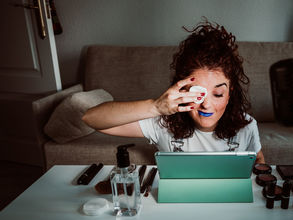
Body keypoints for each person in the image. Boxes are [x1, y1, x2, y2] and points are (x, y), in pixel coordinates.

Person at [82, 20, 265, 164]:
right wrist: (155, 107)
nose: (206, 104)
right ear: (182, 89)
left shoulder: (247, 126)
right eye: (197, 93)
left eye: (217, 94)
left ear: (230, 92)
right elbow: (90, 118)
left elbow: (258, 161)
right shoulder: (163, 124)